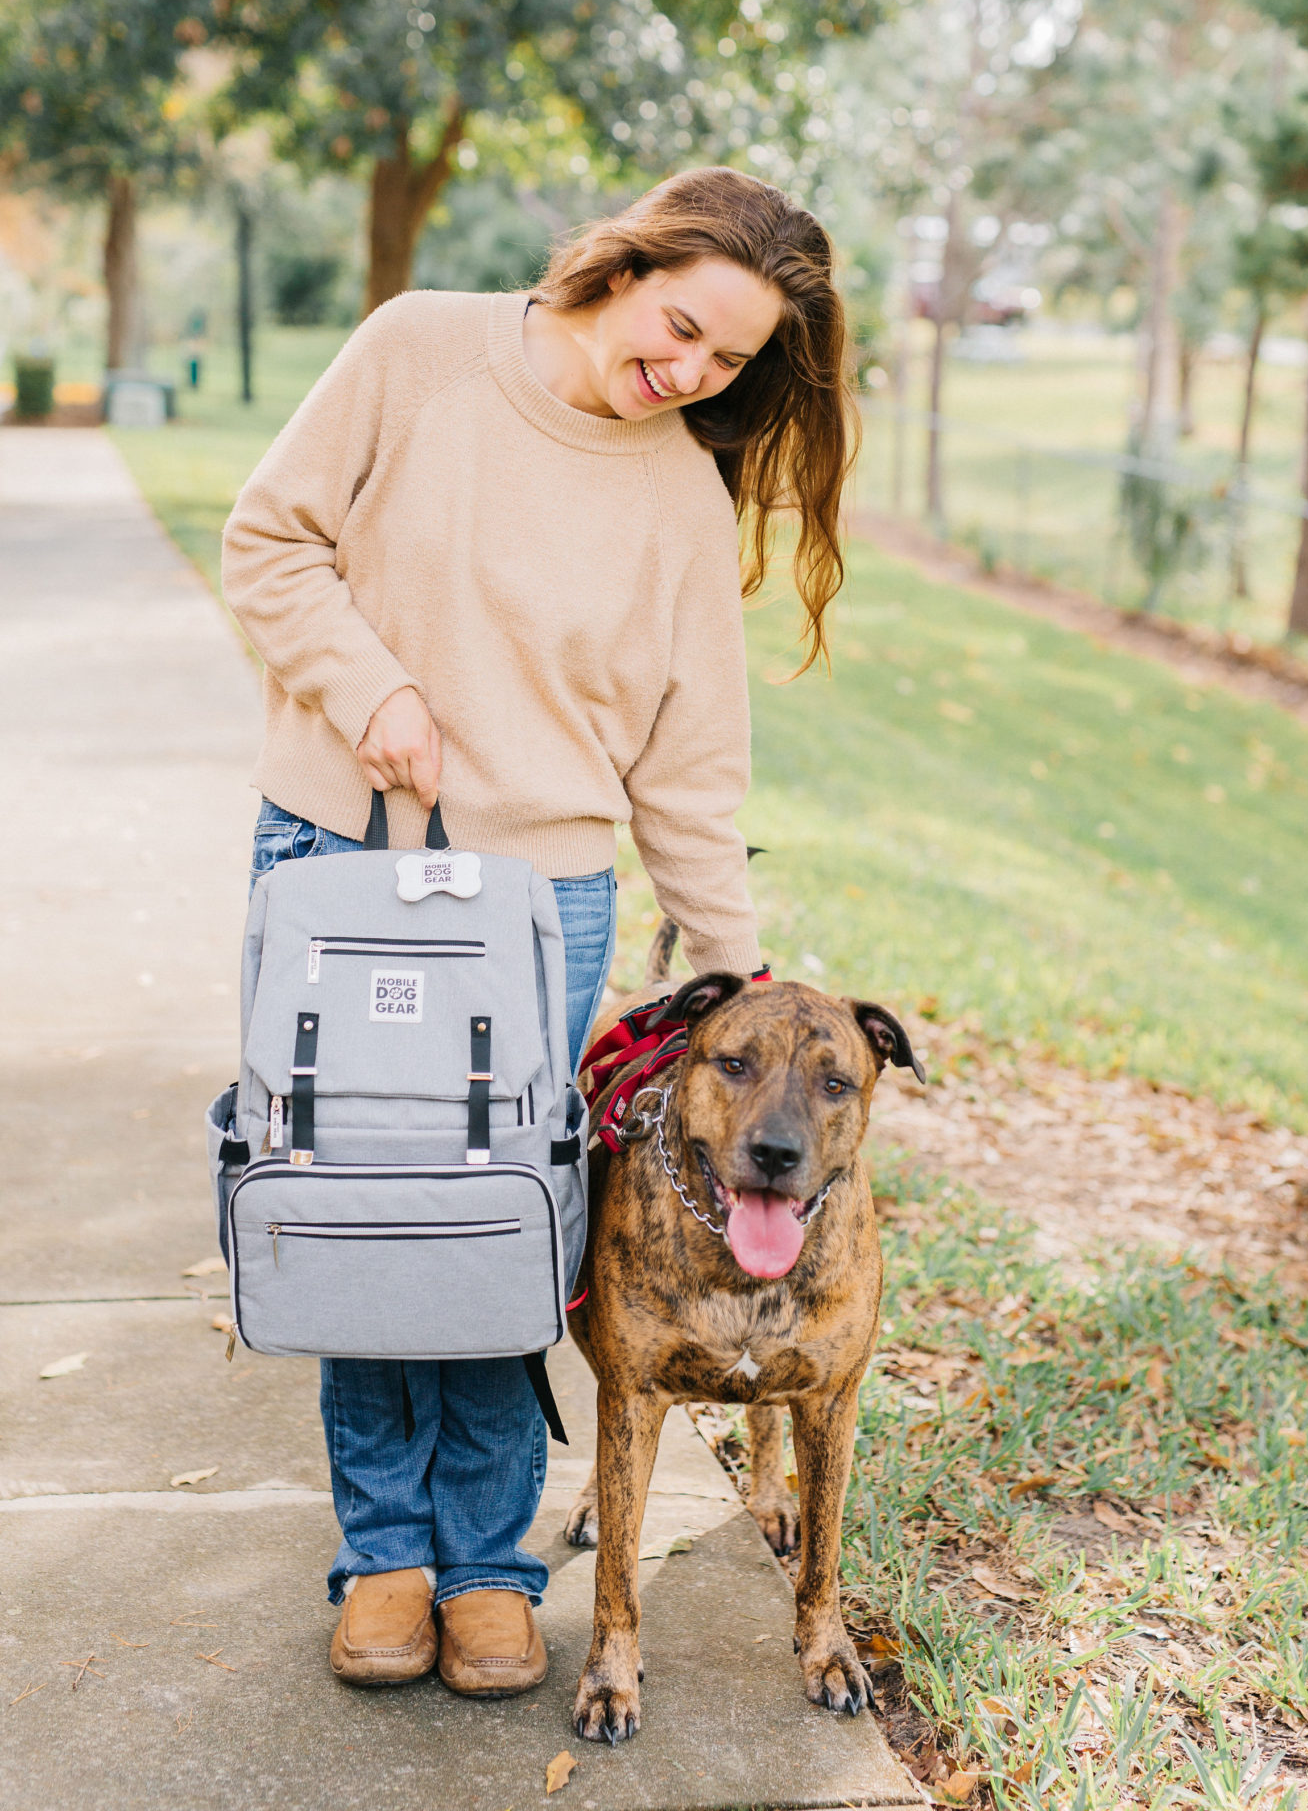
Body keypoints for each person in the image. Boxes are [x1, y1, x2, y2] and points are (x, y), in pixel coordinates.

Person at [219, 165, 857, 1698]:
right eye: (682, 325)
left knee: (504, 1240)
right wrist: (369, 686)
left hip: (539, 912)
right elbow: (268, 543)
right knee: (368, 1221)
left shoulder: (682, 506)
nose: (691, 373)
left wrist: (737, 979)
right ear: (626, 265)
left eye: (727, 362)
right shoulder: (416, 351)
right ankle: (383, 1554)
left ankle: (492, 1568)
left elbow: (691, 777)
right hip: (337, 860)